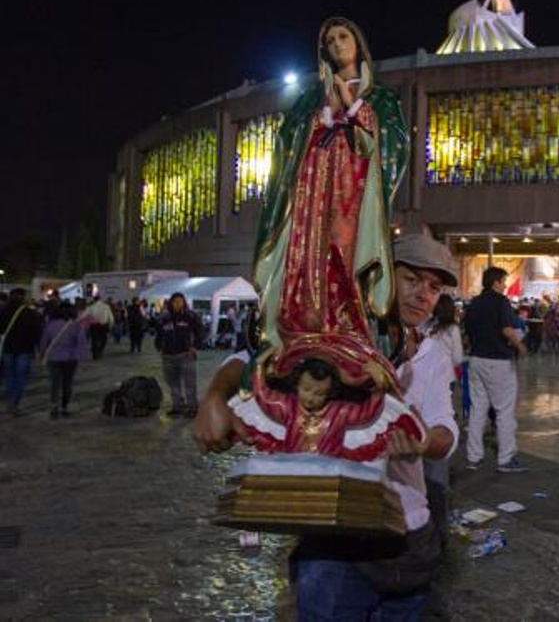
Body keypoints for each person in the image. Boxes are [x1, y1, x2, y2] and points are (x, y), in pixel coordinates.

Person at [194, 233, 459, 619]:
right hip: (334, 544)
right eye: (412, 280)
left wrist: (424, 442)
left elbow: (445, 430)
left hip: (408, 532)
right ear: (382, 278)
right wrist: (214, 398)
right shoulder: (337, 339)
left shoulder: (433, 353)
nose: (423, 294)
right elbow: (256, 359)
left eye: (434, 288)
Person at [251, 16, 408, 401]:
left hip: (352, 197)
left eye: (344, 36)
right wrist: (322, 117)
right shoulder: (310, 98)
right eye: (330, 40)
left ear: (358, 42)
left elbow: (392, 146)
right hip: (311, 196)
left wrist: (353, 106)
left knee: (344, 257)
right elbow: (288, 145)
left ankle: (348, 331)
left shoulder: (381, 98)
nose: (337, 45)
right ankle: (300, 329)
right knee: (307, 260)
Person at [463, 266, 529, 473]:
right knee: (504, 411)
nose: (506, 285)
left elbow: (467, 332)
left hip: (475, 360)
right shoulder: (501, 302)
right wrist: (521, 347)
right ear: (496, 282)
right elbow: (507, 329)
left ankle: (473, 457)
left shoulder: (473, 303)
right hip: (498, 361)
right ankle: (506, 459)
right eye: (504, 281)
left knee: (477, 410)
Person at [155, 292, 204, 418]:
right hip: (168, 357)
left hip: (185, 355)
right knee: (173, 383)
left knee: (190, 384)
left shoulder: (190, 316)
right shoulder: (164, 318)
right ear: (171, 302)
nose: (178, 303)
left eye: (180, 301)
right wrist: (159, 347)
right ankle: (177, 407)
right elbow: (159, 334)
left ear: (184, 302)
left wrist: (195, 347)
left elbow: (201, 332)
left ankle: (192, 408)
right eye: (175, 301)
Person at [38, 301, 88, 419]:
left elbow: (44, 341)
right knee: (67, 383)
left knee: (55, 383)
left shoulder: (51, 324)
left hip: (53, 358)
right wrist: (83, 358)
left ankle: (54, 407)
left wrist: (41, 353)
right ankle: (65, 407)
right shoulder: (77, 325)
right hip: (70, 358)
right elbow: (81, 343)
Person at [0, 288, 43, 416]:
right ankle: (14, 404)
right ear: (23, 298)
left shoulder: (3, 311)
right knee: (21, 378)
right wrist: (39, 349)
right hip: (25, 350)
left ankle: (10, 402)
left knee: (9, 377)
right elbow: (37, 333)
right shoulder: (30, 313)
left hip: (8, 349)